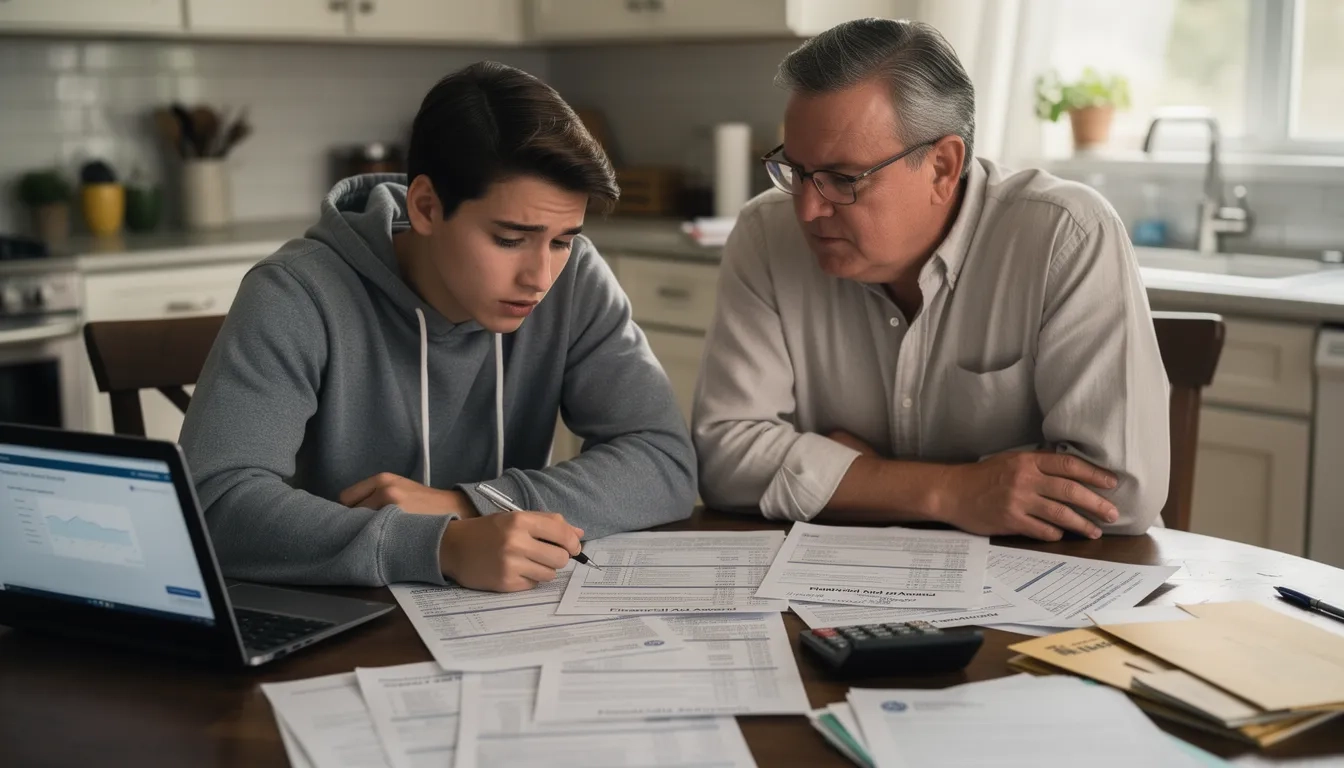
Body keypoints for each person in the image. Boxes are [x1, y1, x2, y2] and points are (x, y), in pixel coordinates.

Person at [181, 61, 695, 591]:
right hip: (336, 617)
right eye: (509, 239)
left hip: (499, 620)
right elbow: (214, 504)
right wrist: (439, 545)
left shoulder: (577, 278)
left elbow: (663, 462)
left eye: (562, 240)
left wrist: (464, 505)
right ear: (426, 207)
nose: (540, 277)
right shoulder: (295, 292)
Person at [692, 19, 1169, 540]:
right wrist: (955, 491)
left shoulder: (1065, 234)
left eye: (842, 178)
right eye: (796, 169)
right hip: (842, 582)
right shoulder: (765, 233)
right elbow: (724, 459)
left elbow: (1118, 493)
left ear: (942, 166)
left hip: (1052, 585)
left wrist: (851, 478)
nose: (807, 208)